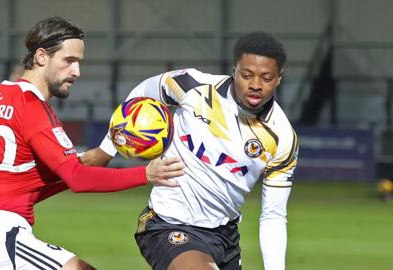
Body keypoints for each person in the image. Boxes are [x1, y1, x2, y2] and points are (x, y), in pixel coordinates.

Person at [0, 16, 184, 270]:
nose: (77, 71)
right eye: (69, 61)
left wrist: (94, 158)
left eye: (78, 62)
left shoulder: (2, 96)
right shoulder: (32, 107)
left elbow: (25, 181)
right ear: (41, 57)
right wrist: (145, 174)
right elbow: (77, 178)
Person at [96, 31, 298, 270]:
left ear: (279, 78)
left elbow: (273, 215)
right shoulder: (193, 86)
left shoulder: (283, 137)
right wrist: (107, 150)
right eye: (246, 75)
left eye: (266, 78)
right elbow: (143, 93)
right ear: (234, 69)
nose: (255, 85)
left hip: (225, 238)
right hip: (168, 224)